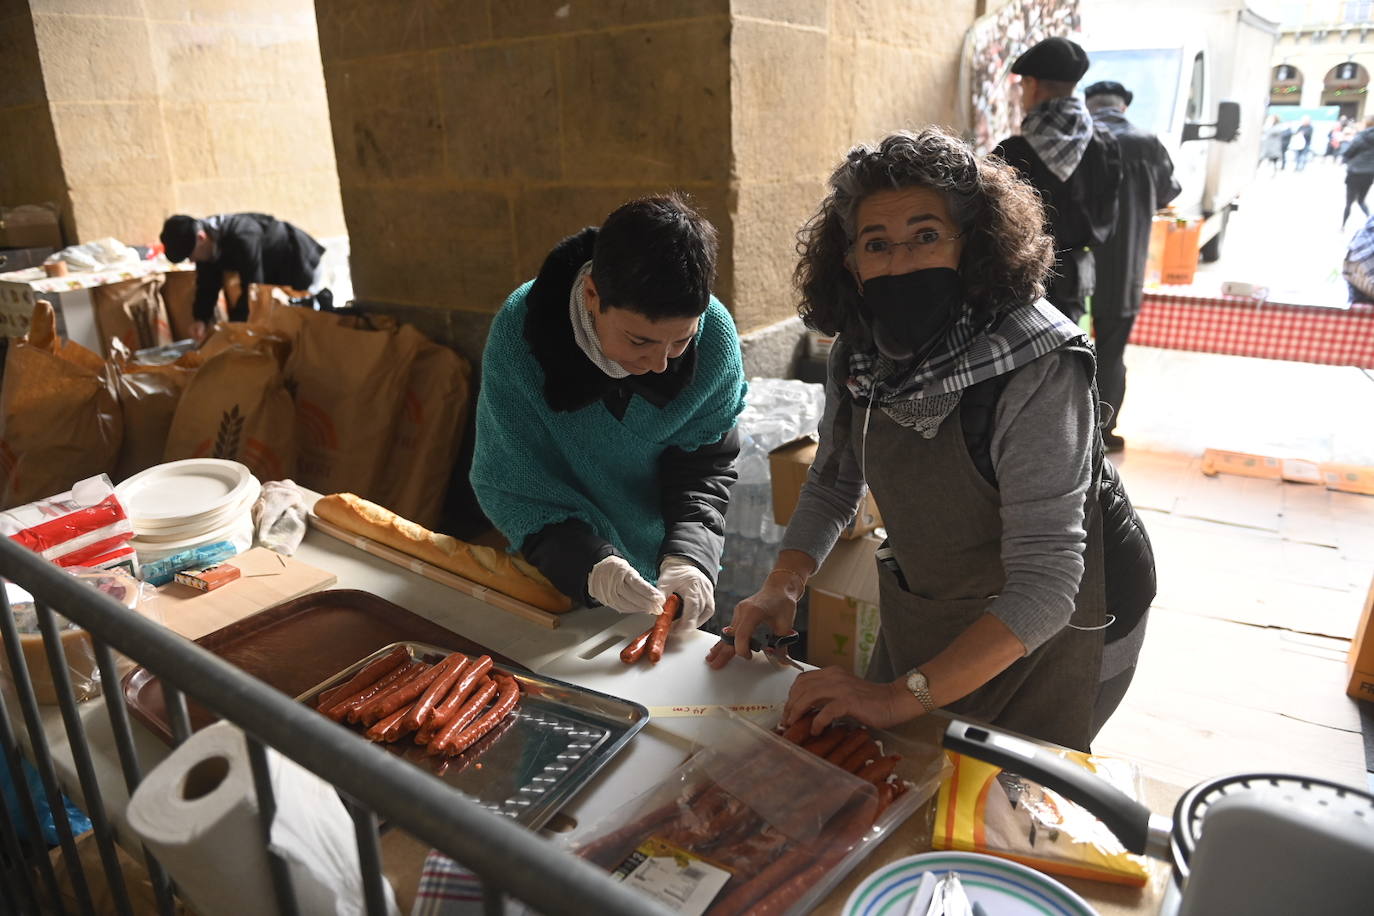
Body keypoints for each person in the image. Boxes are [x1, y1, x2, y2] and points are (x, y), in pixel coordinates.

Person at [709, 129, 1156, 753]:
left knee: (1001, 800)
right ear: (850, 261)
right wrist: (782, 584)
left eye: (926, 236)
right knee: (901, 763)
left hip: (1067, 620)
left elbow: (1048, 584)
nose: (901, 263)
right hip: (936, 602)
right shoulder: (861, 352)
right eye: (876, 244)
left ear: (973, 244)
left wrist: (895, 696)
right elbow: (836, 477)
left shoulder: (1037, 366)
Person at [470, 194, 746, 634]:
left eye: (679, 343)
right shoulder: (520, 335)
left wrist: (690, 554)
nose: (661, 363)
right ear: (592, 294)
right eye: (639, 341)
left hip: (661, 563)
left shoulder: (713, 338)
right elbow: (510, 484)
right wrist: (588, 564)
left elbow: (705, 464)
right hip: (551, 565)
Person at [992, 36, 1121, 326]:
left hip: (1022, 280)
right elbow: (1107, 222)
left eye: (1023, 85)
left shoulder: (1014, 151)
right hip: (1077, 278)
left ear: (1033, 85)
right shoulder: (1105, 145)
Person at [1084, 81, 1182, 453]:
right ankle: (1104, 432)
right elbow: (1166, 193)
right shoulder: (1147, 143)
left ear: (1089, 106)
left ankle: (1068, 430)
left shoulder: (1078, 140)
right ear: (1123, 107)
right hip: (1123, 266)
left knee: (1064, 351)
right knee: (1111, 353)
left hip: (1073, 265)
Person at [160, 213, 329, 342]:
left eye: (190, 255)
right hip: (273, 272)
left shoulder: (242, 236)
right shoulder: (207, 246)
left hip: (299, 263)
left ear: (201, 237)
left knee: (303, 325)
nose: (191, 260)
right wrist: (201, 319)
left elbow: (254, 290)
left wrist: (234, 330)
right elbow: (207, 284)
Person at [1341, 116, 1374, 229]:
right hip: (1369, 173)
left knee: (1349, 202)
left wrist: (1345, 158)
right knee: (1361, 200)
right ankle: (1370, 220)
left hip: (1355, 171)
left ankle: (1343, 226)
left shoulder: (1361, 136)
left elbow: (1349, 151)